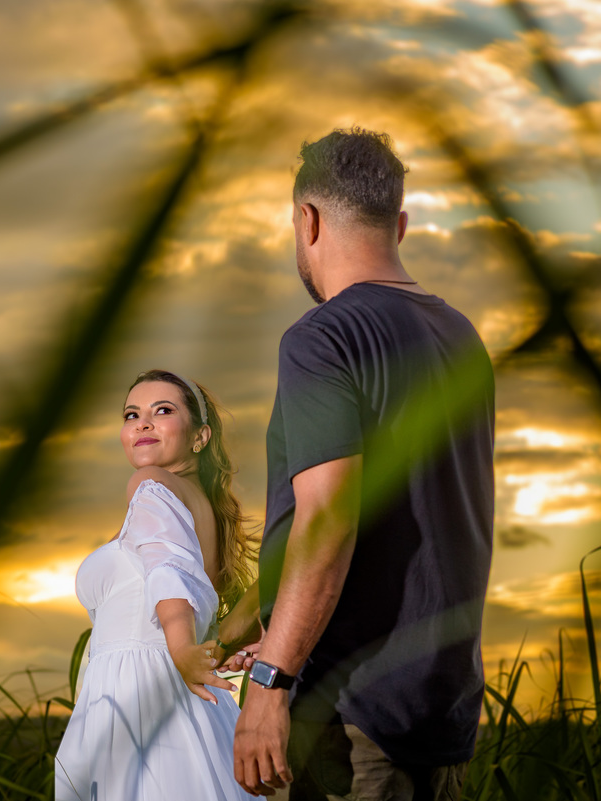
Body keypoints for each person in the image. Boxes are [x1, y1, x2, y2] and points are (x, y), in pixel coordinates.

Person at [230, 128, 495, 799]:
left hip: (350, 716)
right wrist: (274, 636)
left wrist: (270, 681)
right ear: (398, 223)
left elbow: (328, 521)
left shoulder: (322, 338)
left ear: (308, 220)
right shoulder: (460, 337)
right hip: (442, 706)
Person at [55, 369, 257, 801]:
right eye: (132, 414)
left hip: (139, 695)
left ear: (200, 437)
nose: (142, 423)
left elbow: (169, 572)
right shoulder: (198, 506)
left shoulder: (150, 485)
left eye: (162, 410)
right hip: (178, 692)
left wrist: (183, 646)